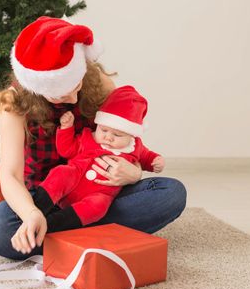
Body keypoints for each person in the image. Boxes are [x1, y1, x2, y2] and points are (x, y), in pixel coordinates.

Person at [0, 16, 186, 260]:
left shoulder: (96, 80)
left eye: (77, 86)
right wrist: (32, 214)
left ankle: (58, 235)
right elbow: (10, 177)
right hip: (47, 198)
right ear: (38, 89)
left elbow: (126, 138)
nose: (74, 99)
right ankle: (87, 233)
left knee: (172, 192)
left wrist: (135, 172)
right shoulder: (14, 104)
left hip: (98, 193)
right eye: (62, 95)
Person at [35, 85, 165, 233]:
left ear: (131, 136)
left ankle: (55, 224)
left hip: (101, 193)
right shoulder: (87, 138)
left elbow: (146, 156)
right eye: (104, 130)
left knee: (99, 206)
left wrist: (156, 161)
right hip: (73, 180)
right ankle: (36, 208)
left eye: (117, 135)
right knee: (61, 173)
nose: (108, 137)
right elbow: (66, 150)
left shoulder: (135, 147)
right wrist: (66, 128)